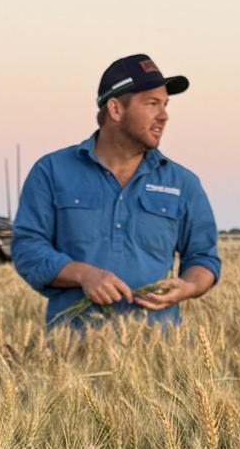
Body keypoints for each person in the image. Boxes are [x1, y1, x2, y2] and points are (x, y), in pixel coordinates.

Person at [12, 54, 220, 328]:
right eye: (152, 104)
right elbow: (27, 248)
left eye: (166, 105)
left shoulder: (183, 183)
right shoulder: (52, 171)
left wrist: (188, 286)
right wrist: (83, 275)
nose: (164, 116)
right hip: (70, 356)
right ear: (115, 109)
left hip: (157, 355)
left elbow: (203, 258)